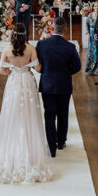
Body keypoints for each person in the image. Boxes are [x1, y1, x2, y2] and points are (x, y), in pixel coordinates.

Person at [0, 27, 53, 184]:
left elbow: (2, 71)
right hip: (28, 81)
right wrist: (27, 67)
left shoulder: (7, 50)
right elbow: (38, 68)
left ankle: (10, 152)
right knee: (29, 114)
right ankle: (32, 152)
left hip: (14, 82)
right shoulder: (31, 48)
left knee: (13, 114)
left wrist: (14, 70)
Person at [36, 17, 82, 157]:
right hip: (64, 84)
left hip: (48, 84)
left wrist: (45, 71)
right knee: (63, 114)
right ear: (65, 29)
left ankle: (51, 147)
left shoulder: (42, 44)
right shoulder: (70, 47)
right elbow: (77, 67)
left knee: (49, 115)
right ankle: (61, 142)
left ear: (52, 27)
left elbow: (38, 64)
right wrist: (67, 72)